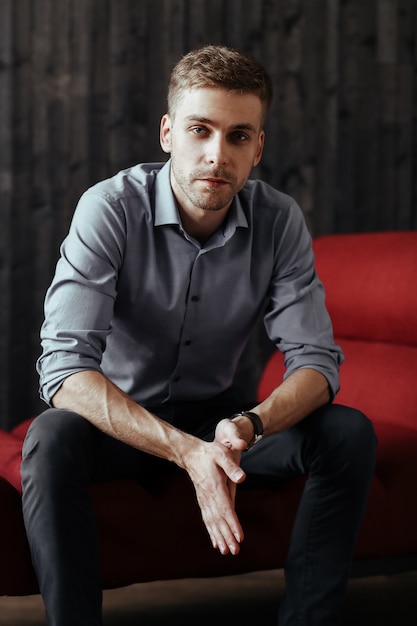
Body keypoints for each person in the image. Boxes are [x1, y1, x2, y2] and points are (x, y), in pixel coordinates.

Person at [21, 45, 376, 626]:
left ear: (258, 147)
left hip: (221, 419)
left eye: (238, 136)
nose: (217, 155)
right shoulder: (109, 208)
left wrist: (247, 426)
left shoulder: (279, 219)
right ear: (168, 133)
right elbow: (63, 371)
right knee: (50, 439)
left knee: (347, 433)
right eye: (199, 130)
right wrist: (186, 453)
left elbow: (317, 364)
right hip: (122, 424)